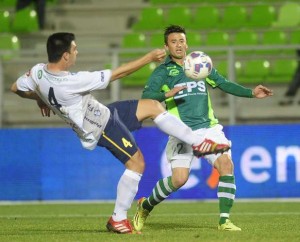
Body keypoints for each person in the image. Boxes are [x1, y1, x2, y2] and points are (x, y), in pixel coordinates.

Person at [10, 32, 230, 234]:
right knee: (137, 164)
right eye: (75, 49)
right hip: (99, 127)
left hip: (104, 112)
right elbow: (118, 73)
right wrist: (148, 58)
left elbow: (16, 88)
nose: (77, 52)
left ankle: (199, 143)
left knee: (153, 105)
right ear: (66, 56)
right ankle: (118, 218)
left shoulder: (38, 71)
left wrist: (40, 98)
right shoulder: (73, 81)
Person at [133, 25, 273, 232]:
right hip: (181, 132)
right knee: (179, 179)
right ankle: (145, 206)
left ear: (186, 43)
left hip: (209, 129)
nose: (179, 45)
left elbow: (224, 83)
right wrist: (167, 94)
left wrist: (251, 93)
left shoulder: (199, 64)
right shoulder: (163, 72)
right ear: (166, 46)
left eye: (182, 41)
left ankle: (224, 220)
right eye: (174, 42)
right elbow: (147, 98)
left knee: (226, 164)